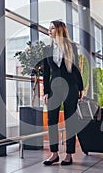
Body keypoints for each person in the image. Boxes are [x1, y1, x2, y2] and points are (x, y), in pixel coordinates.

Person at [42, 20, 84, 166]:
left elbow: (77, 69)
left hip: (71, 87)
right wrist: (46, 91)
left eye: (52, 28)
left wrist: (81, 88)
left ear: (59, 30)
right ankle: (54, 154)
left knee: (70, 120)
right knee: (52, 120)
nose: (49, 31)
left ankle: (69, 154)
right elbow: (46, 73)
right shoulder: (47, 49)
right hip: (54, 88)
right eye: (49, 28)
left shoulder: (71, 47)